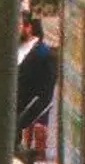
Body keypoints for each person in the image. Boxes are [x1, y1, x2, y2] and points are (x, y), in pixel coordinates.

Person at [15, 12, 55, 154]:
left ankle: (39, 153)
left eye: (18, 26)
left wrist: (39, 107)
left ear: (29, 28)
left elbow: (48, 83)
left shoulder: (43, 52)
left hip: (32, 105)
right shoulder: (16, 49)